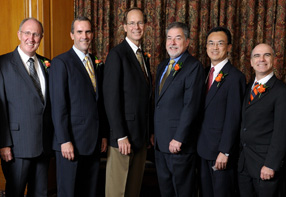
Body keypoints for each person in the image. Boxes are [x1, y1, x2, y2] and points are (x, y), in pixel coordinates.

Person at [0, 18, 53, 196]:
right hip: (17, 146)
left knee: (40, 192)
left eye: (36, 34)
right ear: (19, 35)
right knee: (15, 192)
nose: (31, 38)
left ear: (41, 37)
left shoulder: (48, 64)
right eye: (27, 33)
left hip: (44, 144)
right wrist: (4, 143)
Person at [49, 16, 108, 197]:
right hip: (71, 142)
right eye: (80, 32)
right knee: (69, 192)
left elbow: (100, 103)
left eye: (88, 31)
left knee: (89, 190)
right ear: (72, 35)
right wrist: (64, 140)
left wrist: (103, 135)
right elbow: (58, 105)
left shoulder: (96, 62)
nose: (85, 36)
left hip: (93, 141)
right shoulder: (61, 62)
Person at [151, 22, 205, 196]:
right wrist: (154, 133)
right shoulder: (162, 66)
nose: (172, 42)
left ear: (187, 41)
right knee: (166, 191)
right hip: (160, 143)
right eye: (169, 38)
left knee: (183, 192)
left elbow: (191, 105)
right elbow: (158, 103)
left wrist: (179, 138)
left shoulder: (193, 67)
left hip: (178, 144)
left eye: (178, 38)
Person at [103, 7, 152, 197]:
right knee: (117, 191)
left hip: (140, 136)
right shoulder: (117, 55)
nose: (136, 27)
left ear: (146, 26)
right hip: (123, 138)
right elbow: (111, 98)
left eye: (140, 22)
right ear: (124, 27)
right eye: (132, 23)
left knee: (133, 190)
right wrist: (120, 135)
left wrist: (149, 131)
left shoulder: (143, 57)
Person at [196, 27, 246, 197]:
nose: (214, 47)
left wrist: (225, 151)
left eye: (220, 43)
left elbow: (234, 118)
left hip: (220, 153)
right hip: (201, 149)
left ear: (229, 47)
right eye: (211, 43)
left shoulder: (235, 77)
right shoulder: (202, 73)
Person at [238, 43, 286, 197]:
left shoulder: (281, 91)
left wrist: (271, 165)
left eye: (267, 55)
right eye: (257, 56)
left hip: (265, 166)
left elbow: (281, 132)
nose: (262, 59)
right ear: (251, 62)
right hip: (244, 164)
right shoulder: (247, 88)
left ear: (274, 60)